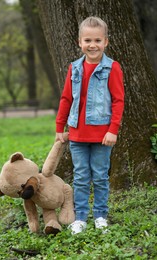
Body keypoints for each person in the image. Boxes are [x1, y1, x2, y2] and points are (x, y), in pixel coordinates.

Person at [55, 16, 124, 234]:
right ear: (79, 42)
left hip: (103, 135)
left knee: (101, 177)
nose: (92, 45)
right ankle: (81, 217)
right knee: (82, 177)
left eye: (97, 40)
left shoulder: (112, 68)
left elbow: (118, 100)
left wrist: (113, 130)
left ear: (106, 42)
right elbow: (66, 98)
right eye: (87, 40)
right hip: (76, 135)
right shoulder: (74, 68)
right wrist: (60, 128)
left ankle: (101, 215)